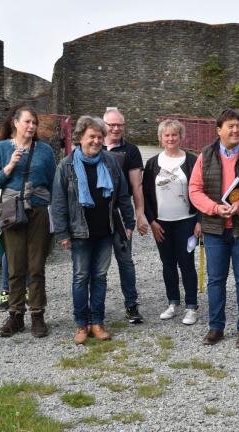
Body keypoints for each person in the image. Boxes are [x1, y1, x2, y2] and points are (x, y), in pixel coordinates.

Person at [189, 109, 239, 348]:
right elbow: (195, 190)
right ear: (219, 131)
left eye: (238, 126)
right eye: (230, 126)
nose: (235, 130)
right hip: (215, 227)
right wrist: (215, 209)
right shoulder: (205, 155)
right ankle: (216, 327)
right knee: (215, 280)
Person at [51, 116, 135, 344]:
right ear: (80, 138)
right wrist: (63, 234)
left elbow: (124, 196)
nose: (96, 141)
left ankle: (97, 322)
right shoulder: (66, 166)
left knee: (100, 277)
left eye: (100, 137)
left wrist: (129, 224)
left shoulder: (110, 162)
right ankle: (81, 324)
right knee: (80, 278)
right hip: (79, 233)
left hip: (105, 231)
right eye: (91, 137)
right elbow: (58, 203)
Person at [0, 104, 57, 338]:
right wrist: (8, 168)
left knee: (36, 266)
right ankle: (16, 316)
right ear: (15, 123)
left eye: (34, 123)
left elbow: (52, 183)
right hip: (12, 211)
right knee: (15, 265)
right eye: (27, 121)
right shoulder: (1, 148)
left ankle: (37, 314)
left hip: (37, 210)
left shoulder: (45, 151)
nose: (31, 126)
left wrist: (54, 213)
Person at [142, 119, 201, 325]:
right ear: (160, 138)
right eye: (166, 135)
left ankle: (191, 306)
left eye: (174, 135)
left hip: (187, 221)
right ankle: (173, 302)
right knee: (168, 263)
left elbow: (200, 191)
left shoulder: (192, 161)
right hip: (162, 223)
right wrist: (151, 221)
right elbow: (146, 195)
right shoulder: (152, 164)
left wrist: (199, 220)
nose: (170, 138)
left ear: (180, 137)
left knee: (186, 263)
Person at [103, 107, 147, 324]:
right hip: (97, 214)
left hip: (121, 213)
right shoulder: (91, 144)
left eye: (119, 124)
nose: (116, 128)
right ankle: (96, 308)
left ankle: (131, 305)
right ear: (104, 125)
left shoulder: (131, 150)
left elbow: (136, 186)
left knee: (125, 261)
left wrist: (140, 214)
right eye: (111, 124)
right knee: (96, 264)